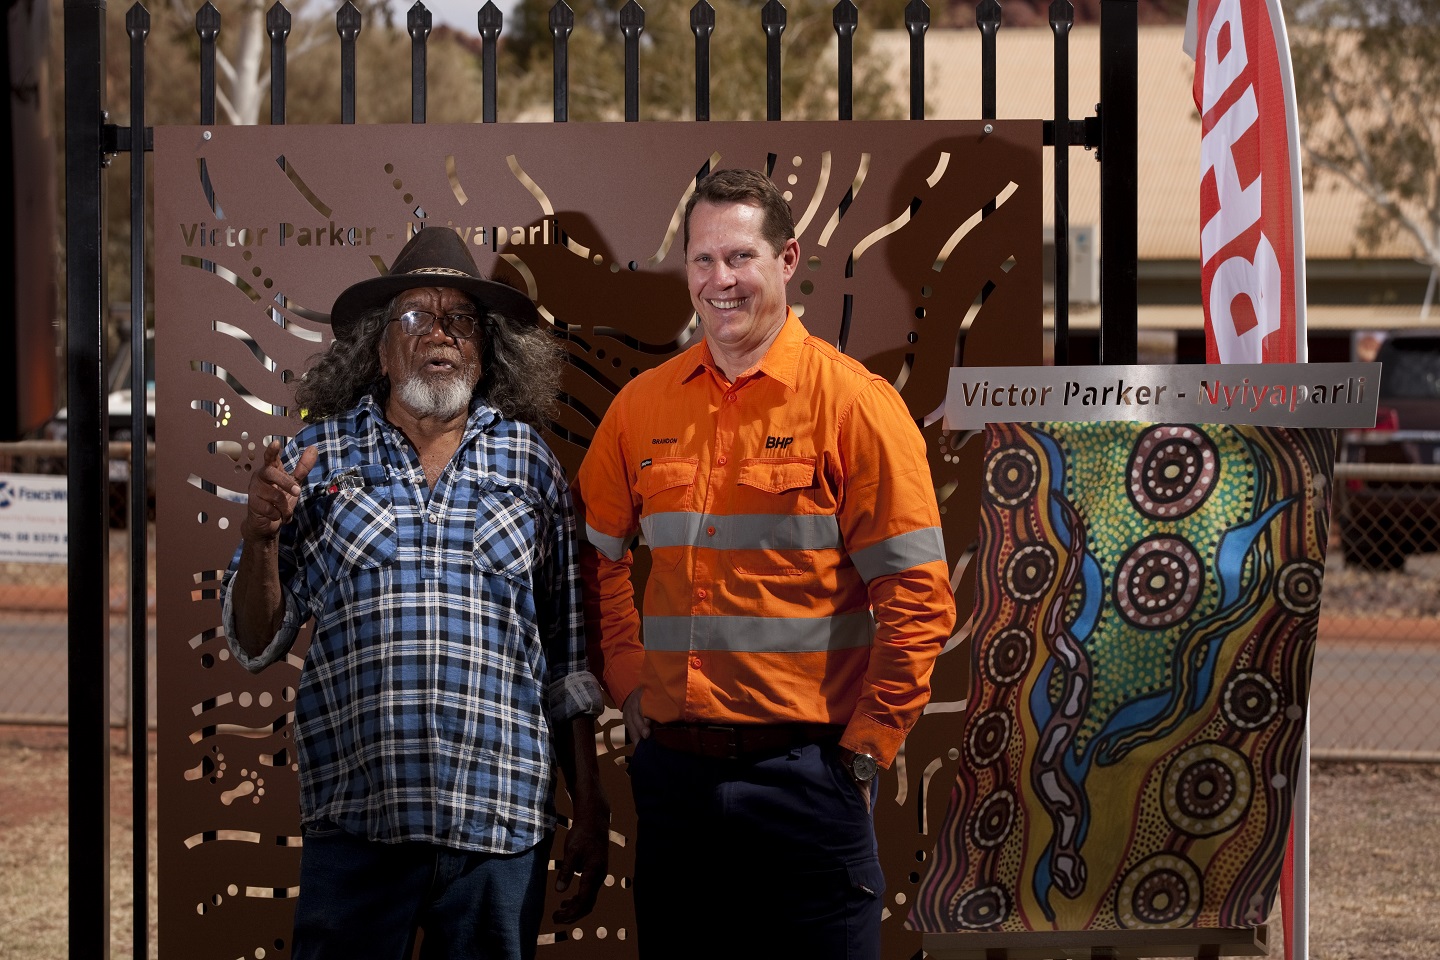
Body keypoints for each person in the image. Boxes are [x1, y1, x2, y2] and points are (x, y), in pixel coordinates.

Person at [575, 168, 957, 957]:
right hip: (676, 784)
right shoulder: (641, 407)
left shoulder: (853, 404)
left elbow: (918, 595)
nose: (720, 280)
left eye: (740, 257)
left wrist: (869, 745)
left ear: (787, 260)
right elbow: (595, 559)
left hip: (809, 780)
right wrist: (626, 673)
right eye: (703, 259)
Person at [223, 226, 608, 960]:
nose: (439, 333)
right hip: (358, 822)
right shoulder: (318, 457)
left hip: (500, 828)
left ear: (486, 349)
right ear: (378, 349)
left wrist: (588, 801)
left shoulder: (530, 463)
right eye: (414, 317)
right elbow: (255, 640)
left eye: (460, 319)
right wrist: (263, 537)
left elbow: (566, 660)